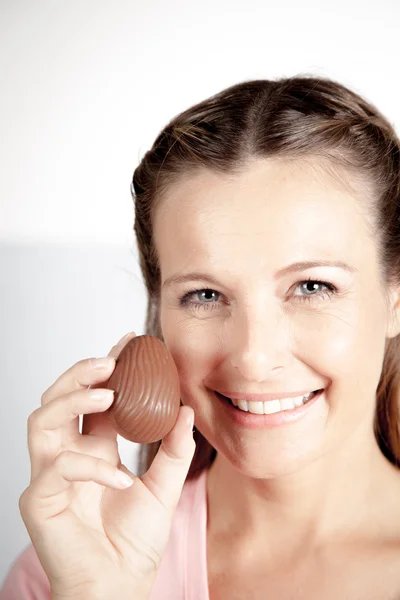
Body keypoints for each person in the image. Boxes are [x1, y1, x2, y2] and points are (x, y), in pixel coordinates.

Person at [2, 75, 400, 600]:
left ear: (394, 298)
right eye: (205, 295)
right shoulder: (62, 572)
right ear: (159, 307)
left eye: (312, 286)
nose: (254, 358)